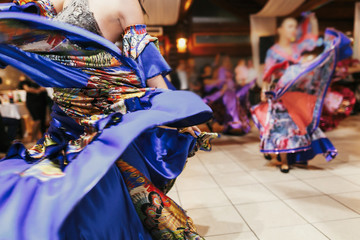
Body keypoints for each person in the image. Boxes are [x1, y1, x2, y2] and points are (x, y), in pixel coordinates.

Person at [0, 0, 217, 239]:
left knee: (99, 188)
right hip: (64, 114)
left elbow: (146, 60)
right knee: (53, 182)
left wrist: (176, 110)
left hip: (97, 114)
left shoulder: (126, 3)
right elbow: (35, 19)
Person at [251, 13, 352, 173]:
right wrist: (265, 90)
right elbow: (267, 74)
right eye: (290, 26)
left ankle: (297, 157)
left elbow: (315, 46)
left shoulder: (297, 48)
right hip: (280, 94)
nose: (294, 30)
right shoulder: (273, 51)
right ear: (280, 30)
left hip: (296, 94)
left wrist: (324, 36)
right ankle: (284, 159)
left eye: (295, 27)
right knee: (282, 128)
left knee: (300, 125)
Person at [204, 55, 254, 134]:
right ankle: (233, 122)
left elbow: (232, 82)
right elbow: (221, 82)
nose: (228, 61)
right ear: (223, 61)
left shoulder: (229, 70)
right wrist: (224, 87)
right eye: (226, 60)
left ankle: (238, 122)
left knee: (242, 93)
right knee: (231, 97)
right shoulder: (221, 69)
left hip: (231, 89)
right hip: (225, 91)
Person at [18, 75, 48, 141]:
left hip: (41, 102)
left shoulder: (40, 78)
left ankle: (37, 138)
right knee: (37, 120)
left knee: (41, 120)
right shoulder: (25, 79)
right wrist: (37, 90)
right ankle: (32, 139)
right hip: (32, 102)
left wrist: (39, 90)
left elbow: (45, 88)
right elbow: (27, 89)